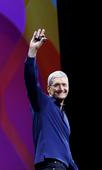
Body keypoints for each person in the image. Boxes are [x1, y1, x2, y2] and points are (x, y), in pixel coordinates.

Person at [24, 28, 78, 170]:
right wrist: (32, 52)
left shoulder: (64, 118)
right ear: (49, 89)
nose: (61, 88)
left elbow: (66, 152)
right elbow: (31, 81)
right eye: (57, 85)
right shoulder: (43, 103)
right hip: (50, 165)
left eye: (64, 85)